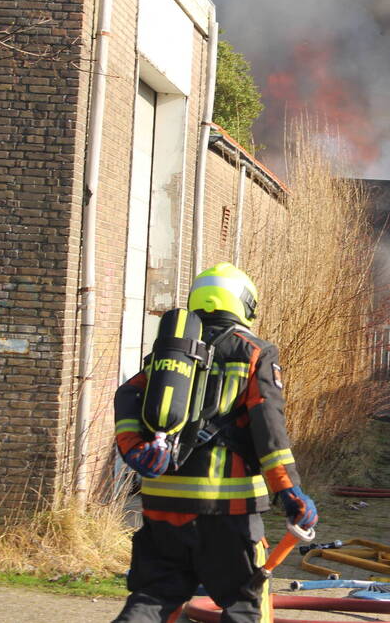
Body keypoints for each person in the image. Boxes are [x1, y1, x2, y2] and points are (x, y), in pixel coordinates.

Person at [112, 262, 317, 623]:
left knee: (153, 597)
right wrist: (290, 491)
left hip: (162, 504)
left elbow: (128, 393)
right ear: (243, 304)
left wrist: (133, 449)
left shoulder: (168, 353)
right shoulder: (254, 351)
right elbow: (269, 430)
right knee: (245, 604)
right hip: (227, 510)